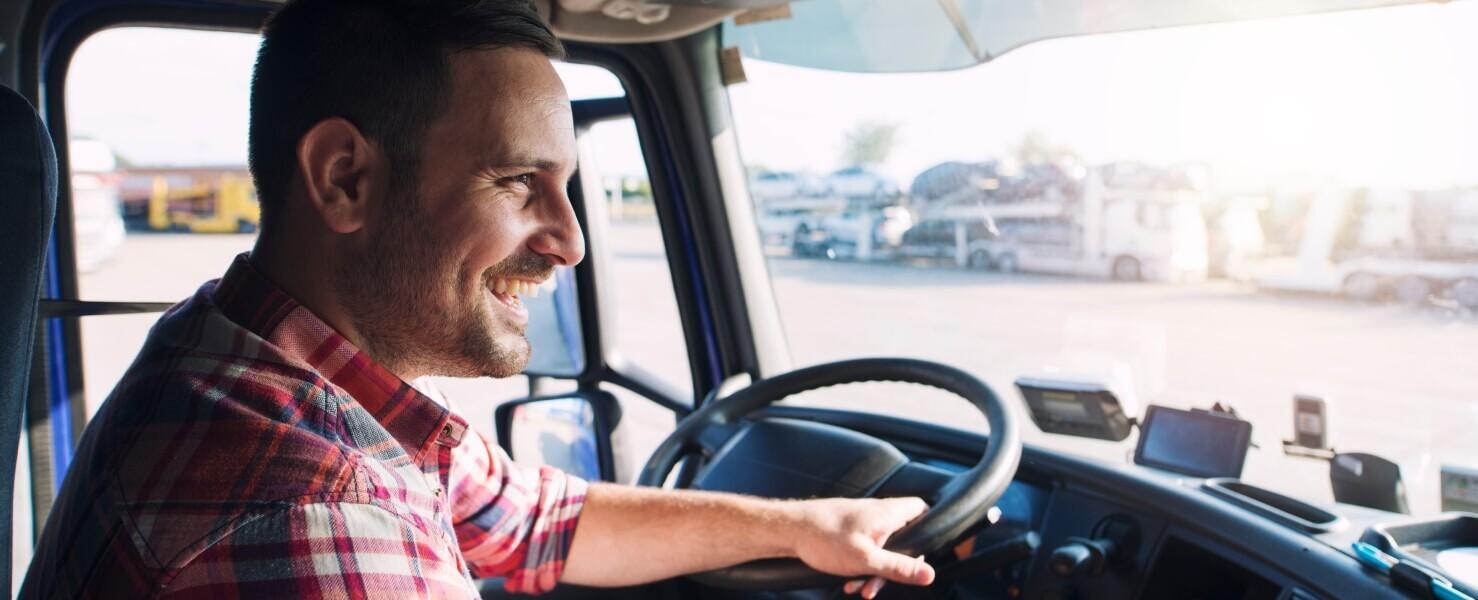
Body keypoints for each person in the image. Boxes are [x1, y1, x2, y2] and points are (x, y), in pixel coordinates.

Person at [19, 1, 935, 598]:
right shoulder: (320, 528)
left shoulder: (251, 348)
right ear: (343, 178)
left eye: (565, 185)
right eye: (517, 182)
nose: (570, 240)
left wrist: (809, 525)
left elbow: (536, 521)